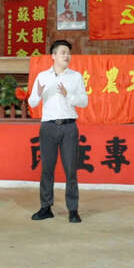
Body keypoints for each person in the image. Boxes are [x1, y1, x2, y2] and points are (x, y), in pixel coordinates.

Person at [28, 40, 88, 223]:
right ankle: (46, 207)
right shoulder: (42, 76)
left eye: (68, 53)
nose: (66, 56)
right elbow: (32, 103)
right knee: (47, 169)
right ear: (53, 56)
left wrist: (68, 95)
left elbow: (84, 102)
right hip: (48, 127)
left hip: (69, 127)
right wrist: (38, 93)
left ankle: (73, 210)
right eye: (63, 52)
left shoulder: (75, 77)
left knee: (71, 170)